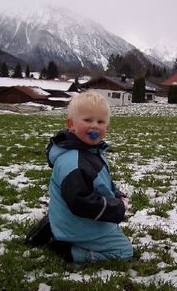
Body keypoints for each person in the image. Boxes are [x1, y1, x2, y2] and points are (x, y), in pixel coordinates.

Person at [45, 91, 133, 263]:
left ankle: (64, 235)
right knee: (124, 252)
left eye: (100, 122)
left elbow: (100, 182)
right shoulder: (73, 162)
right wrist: (116, 208)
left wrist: (116, 195)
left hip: (75, 220)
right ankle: (70, 252)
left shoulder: (90, 151)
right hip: (76, 224)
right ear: (71, 124)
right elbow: (81, 202)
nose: (94, 126)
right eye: (87, 120)